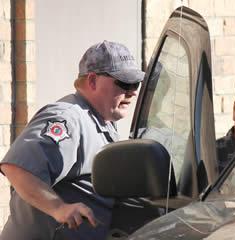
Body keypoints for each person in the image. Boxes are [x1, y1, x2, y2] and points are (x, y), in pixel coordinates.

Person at [0, 40, 144, 240]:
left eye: (135, 83)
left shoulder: (101, 120)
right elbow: (17, 168)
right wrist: (58, 207)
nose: (132, 92)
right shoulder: (68, 118)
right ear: (92, 81)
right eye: (124, 83)